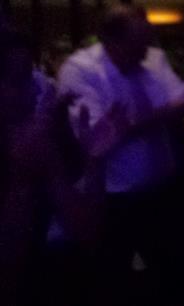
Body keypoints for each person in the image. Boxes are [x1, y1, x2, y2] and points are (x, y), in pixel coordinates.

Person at [57, 5, 184, 306]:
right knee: (116, 282)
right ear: (110, 41)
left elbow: (181, 102)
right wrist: (155, 117)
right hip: (116, 198)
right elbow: (96, 138)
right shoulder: (80, 70)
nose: (145, 52)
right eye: (137, 44)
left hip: (164, 188)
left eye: (147, 41)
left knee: (177, 277)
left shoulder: (152, 58)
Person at [0, 30, 106, 306]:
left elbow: (87, 233)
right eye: (16, 80)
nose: (33, 90)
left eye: (29, 76)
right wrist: (23, 177)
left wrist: (93, 158)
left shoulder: (44, 136)